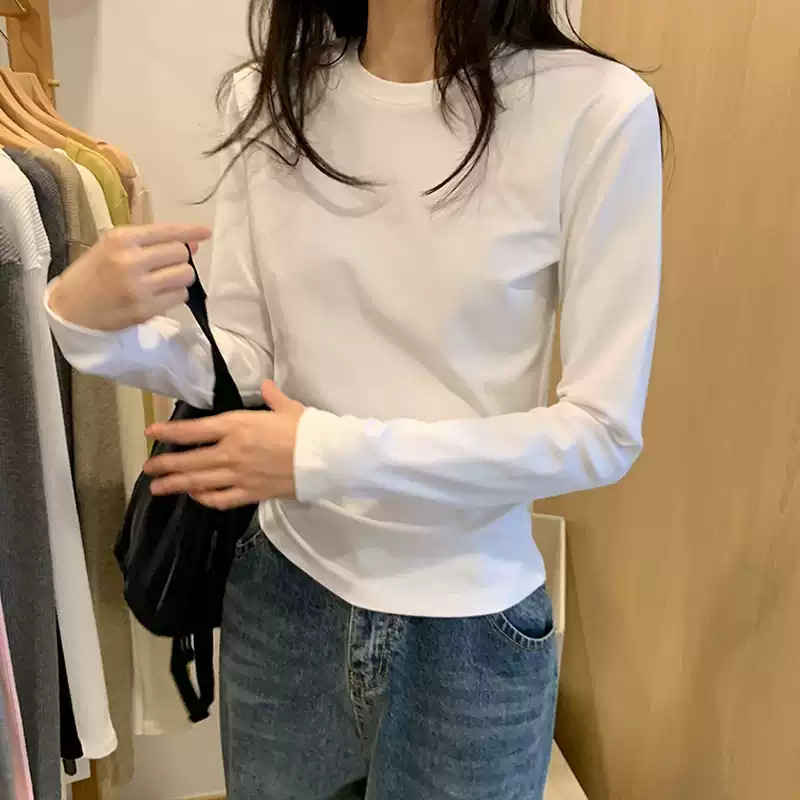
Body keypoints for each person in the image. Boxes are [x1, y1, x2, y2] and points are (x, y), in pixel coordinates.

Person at [47, 0, 663, 797]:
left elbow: (601, 431)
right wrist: (90, 326)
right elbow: (246, 363)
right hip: (283, 601)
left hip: (471, 640)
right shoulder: (271, 99)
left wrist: (324, 455)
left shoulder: (596, 110)